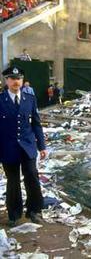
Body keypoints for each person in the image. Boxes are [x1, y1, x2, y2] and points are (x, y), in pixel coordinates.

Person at [0, 66, 47, 227]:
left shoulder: (29, 99)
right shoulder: (1, 100)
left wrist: (42, 146)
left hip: (27, 146)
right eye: (12, 78)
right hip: (7, 148)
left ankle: (35, 211)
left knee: (32, 177)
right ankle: (14, 214)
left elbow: (36, 124)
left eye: (19, 78)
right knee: (13, 181)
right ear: (6, 80)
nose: (16, 81)